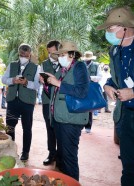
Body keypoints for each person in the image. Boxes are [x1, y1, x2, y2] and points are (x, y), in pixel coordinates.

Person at [96, 6, 134, 186]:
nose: (108, 33)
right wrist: (108, 85)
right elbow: (115, 77)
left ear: (124, 27)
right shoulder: (114, 50)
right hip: (125, 116)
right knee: (128, 166)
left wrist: (133, 92)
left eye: (110, 28)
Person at [45, 41, 89, 181]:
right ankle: (64, 182)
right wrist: (47, 82)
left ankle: (72, 182)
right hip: (60, 118)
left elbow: (82, 91)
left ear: (72, 54)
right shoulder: (63, 69)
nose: (60, 57)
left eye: (63, 54)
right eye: (59, 55)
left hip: (71, 119)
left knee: (69, 158)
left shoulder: (79, 67)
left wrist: (57, 83)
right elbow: (56, 91)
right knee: (62, 157)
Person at [2, 43, 40, 161]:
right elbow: (4, 79)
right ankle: (11, 149)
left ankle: (25, 152)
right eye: (21, 53)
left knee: (27, 128)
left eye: (25, 53)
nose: (23, 55)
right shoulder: (12, 65)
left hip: (27, 102)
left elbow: (37, 85)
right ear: (19, 53)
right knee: (10, 127)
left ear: (29, 54)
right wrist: (13, 80)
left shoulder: (36, 67)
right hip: (13, 101)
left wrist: (26, 83)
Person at [39, 40, 60, 166]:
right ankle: (51, 153)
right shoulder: (44, 64)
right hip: (47, 100)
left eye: (53, 52)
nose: (51, 54)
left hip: (61, 101)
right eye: (49, 52)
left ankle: (62, 155)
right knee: (49, 127)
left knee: (61, 128)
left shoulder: (65, 64)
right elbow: (41, 79)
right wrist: (42, 80)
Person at [81, 51, 102, 133]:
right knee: (81, 106)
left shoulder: (96, 65)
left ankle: (88, 126)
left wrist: (90, 77)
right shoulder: (81, 64)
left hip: (91, 88)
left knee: (89, 108)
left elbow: (99, 77)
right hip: (81, 87)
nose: (87, 60)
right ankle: (80, 124)